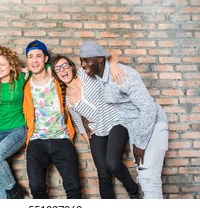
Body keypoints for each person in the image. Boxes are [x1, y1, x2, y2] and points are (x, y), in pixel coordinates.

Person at [79, 41, 169, 199]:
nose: (83, 65)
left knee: (149, 179)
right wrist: (84, 116)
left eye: (87, 60)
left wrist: (140, 143)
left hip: (152, 126)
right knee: (144, 178)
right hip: (136, 127)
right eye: (81, 60)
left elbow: (148, 108)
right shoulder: (99, 75)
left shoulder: (120, 75)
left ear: (100, 60)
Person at [50, 54, 141, 199]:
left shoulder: (84, 73)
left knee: (112, 164)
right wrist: (91, 143)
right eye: (58, 69)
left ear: (72, 67)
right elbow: (80, 124)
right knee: (103, 173)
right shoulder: (67, 98)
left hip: (116, 121)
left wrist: (113, 65)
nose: (63, 70)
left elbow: (112, 56)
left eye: (65, 65)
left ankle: (134, 191)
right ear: (55, 74)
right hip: (97, 131)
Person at [22, 40, 82, 199]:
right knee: (36, 187)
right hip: (36, 141)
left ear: (46, 59)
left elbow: (78, 78)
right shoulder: (25, 85)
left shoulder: (58, 79)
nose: (34, 60)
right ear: (27, 61)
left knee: (74, 187)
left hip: (62, 138)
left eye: (38, 56)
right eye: (30, 57)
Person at [0, 46, 27, 199]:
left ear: (11, 65)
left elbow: (44, 67)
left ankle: (14, 190)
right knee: (0, 175)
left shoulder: (21, 79)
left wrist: (25, 70)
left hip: (17, 129)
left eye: (2, 64)